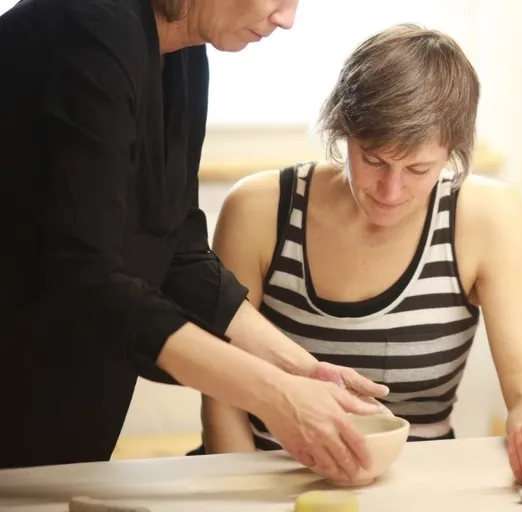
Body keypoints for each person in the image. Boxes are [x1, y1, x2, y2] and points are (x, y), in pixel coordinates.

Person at [0, 0, 393, 481]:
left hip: (56, 425)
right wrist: (273, 395)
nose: (287, 19)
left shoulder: (183, 58)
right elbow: (86, 279)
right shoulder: (88, 29)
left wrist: (302, 370)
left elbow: (177, 252)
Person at [195, 24, 522, 487]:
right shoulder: (260, 210)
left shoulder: (488, 218)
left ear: (451, 153)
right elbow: (222, 393)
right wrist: (242, 493)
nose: (391, 192)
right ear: (344, 133)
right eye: (373, 160)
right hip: (272, 479)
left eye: (418, 169)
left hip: (417, 485)